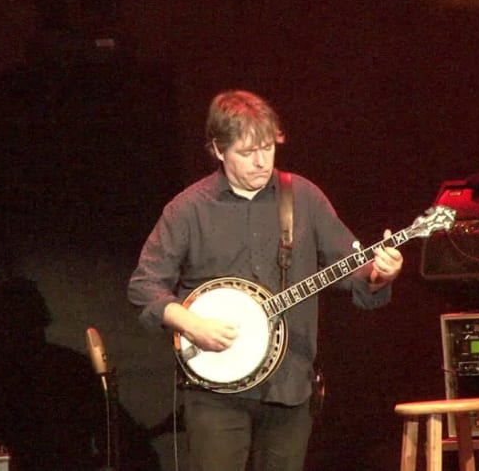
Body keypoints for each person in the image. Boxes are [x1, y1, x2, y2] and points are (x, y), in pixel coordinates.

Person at [127, 90, 403, 471]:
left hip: (289, 384)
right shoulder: (188, 209)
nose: (261, 161)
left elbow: (355, 271)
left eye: (267, 148)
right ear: (218, 150)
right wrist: (190, 323)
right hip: (214, 392)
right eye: (246, 152)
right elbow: (144, 287)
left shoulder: (303, 197)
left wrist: (379, 274)